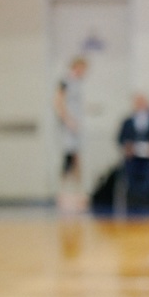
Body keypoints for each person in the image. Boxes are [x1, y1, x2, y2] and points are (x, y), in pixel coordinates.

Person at [117, 93, 149, 214]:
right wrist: (127, 147)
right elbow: (120, 139)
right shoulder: (127, 122)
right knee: (129, 165)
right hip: (133, 156)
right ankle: (134, 196)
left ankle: (146, 196)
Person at [54, 56, 88, 207]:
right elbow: (58, 101)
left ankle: (78, 191)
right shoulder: (65, 81)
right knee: (69, 158)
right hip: (69, 127)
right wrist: (67, 120)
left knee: (76, 158)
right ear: (76, 67)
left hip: (76, 126)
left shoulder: (77, 83)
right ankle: (62, 190)